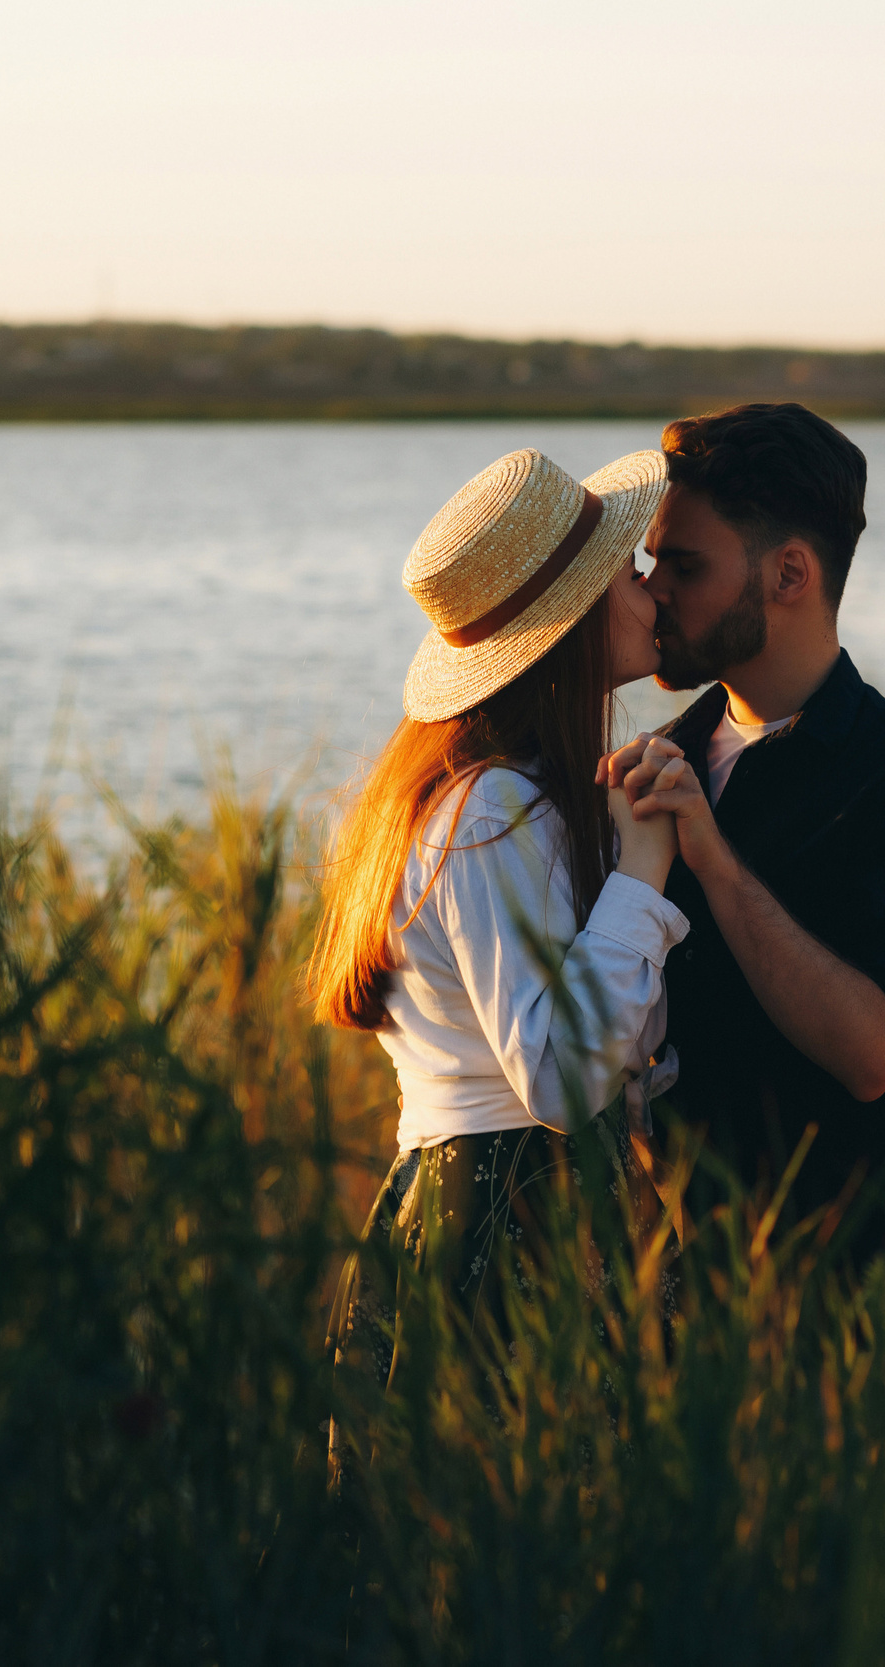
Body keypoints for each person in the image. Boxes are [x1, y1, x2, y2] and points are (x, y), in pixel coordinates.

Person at [310, 445, 685, 1410]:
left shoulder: (508, 798)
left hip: (514, 1194)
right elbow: (560, 1077)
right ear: (573, 624)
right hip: (508, 1210)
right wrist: (644, 873)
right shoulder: (489, 811)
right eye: (625, 572)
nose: (649, 587)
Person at [607, 403, 885, 1343]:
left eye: (684, 565)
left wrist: (714, 863)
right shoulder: (655, 759)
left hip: (842, 1319)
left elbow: (875, 1056)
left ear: (790, 573)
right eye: (651, 564)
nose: (652, 593)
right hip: (667, 1307)